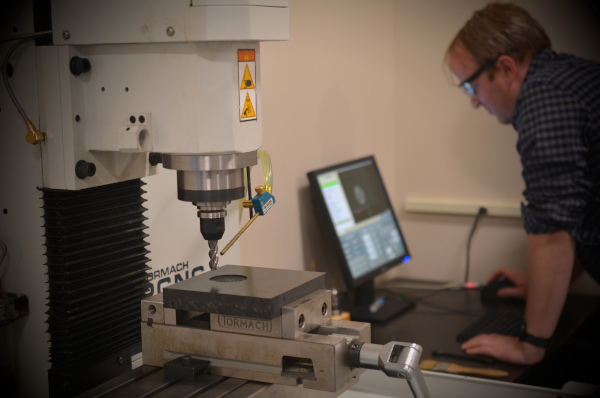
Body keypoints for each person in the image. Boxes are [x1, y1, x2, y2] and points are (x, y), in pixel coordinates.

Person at [446, 2, 600, 365]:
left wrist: (530, 345)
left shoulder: (544, 102)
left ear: (505, 68)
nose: (473, 102)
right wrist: (543, 285)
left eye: (471, 85)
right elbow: (579, 215)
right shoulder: (567, 79)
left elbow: (553, 229)